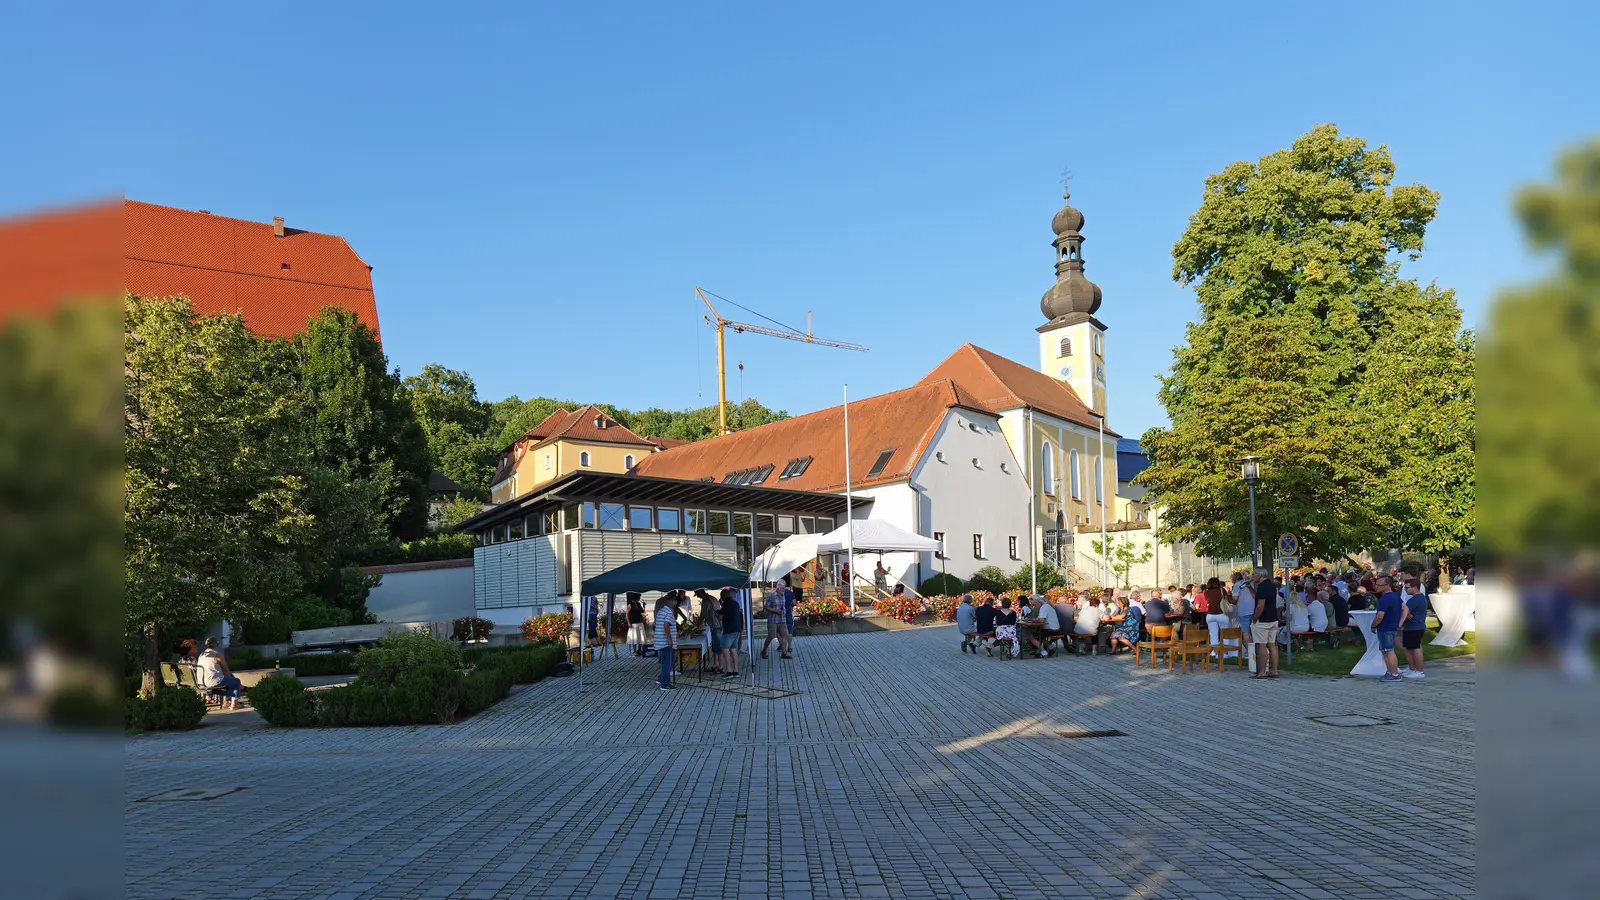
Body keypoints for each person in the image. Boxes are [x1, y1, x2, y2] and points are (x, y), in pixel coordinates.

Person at [1371, 575, 1405, 682]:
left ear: (1387, 585)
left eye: (1379, 585)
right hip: (1392, 627)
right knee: (1385, 651)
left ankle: (1394, 674)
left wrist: (1373, 625)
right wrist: (1400, 623)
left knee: (1388, 651)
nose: (1376, 587)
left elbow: (1380, 616)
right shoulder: (1395, 596)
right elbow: (1405, 608)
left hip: (1385, 628)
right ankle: (1390, 672)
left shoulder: (1384, 598)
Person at [1250, 569, 1281, 679]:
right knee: (1272, 645)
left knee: (1261, 645)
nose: (1252, 576)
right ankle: (1275, 671)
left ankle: (1262, 672)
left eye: (1254, 574)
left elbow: (1260, 606)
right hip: (1273, 618)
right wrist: (1250, 588)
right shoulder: (1272, 585)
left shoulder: (1262, 587)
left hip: (1262, 620)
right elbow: (1259, 597)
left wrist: (1255, 618)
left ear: (1261, 575)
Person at [197, 637, 244, 709]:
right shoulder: (217, 655)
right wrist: (237, 683)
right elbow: (226, 671)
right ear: (217, 644)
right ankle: (234, 704)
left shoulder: (201, 655)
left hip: (201, 682)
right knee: (236, 681)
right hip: (212, 681)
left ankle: (226, 702)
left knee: (227, 679)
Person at [1401, 576, 1428, 679]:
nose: (1405, 590)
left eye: (1407, 587)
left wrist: (1406, 613)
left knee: (1415, 648)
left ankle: (1419, 671)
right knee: (1409, 648)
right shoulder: (1418, 598)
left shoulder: (1416, 599)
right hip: (1412, 627)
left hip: (1414, 627)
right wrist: (1407, 613)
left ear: (1415, 587)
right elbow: (1406, 611)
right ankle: (1412, 668)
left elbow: (1404, 610)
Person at [654, 594, 681, 690]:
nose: (676, 603)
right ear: (673, 602)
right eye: (675, 601)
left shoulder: (661, 611)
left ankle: (661, 679)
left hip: (659, 641)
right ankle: (665, 684)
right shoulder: (669, 613)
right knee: (667, 664)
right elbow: (666, 626)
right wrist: (670, 640)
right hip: (665, 643)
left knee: (666, 662)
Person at [761, 584, 790, 661]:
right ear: (777, 589)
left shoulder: (783, 595)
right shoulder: (772, 596)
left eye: (784, 588)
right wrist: (776, 611)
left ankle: (784, 653)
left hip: (782, 620)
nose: (784, 590)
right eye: (782, 588)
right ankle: (764, 650)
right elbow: (766, 606)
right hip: (773, 620)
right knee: (771, 636)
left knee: (785, 635)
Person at [1234, 573, 1258, 672]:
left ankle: (1250, 653)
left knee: (1246, 632)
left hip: (1243, 610)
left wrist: (1230, 600)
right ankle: (1256, 650)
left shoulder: (1237, 585)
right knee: (1254, 631)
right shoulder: (1250, 583)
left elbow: (1235, 598)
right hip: (1252, 609)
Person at [718, 588, 743, 678]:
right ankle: (736, 671)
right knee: (734, 650)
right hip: (737, 629)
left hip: (728, 629)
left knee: (725, 649)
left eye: (721, 596)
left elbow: (720, 617)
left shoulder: (726, 604)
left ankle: (728, 670)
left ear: (723, 596)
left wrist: (719, 611)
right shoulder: (736, 603)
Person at [626, 592, 648, 657]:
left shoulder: (638, 604)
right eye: (638, 597)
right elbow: (627, 614)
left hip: (639, 622)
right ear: (636, 597)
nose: (639, 598)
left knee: (641, 637)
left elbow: (642, 612)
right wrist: (628, 622)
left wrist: (644, 606)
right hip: (633, 623)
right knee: (634, 637)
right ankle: (635, 651)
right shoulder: (630, 604)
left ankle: (639, 650)